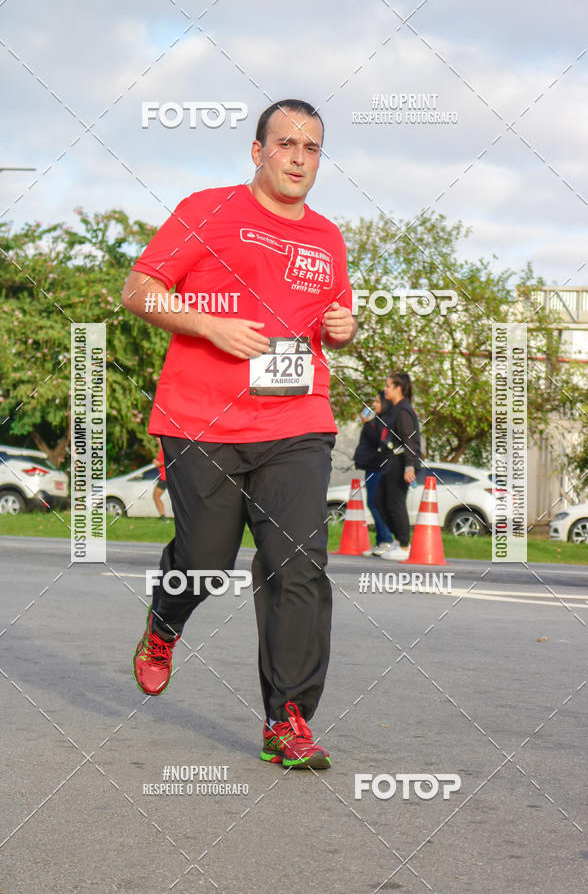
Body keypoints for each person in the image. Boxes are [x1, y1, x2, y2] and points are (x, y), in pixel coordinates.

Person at [121, 98, 357, 770]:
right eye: (286, 144)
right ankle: (165, 624)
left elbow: (335, 319)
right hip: (203, 421)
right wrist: (209, 325)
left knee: (299, 564)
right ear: (258, 152)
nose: (299, 158)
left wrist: (345, 328)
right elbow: (138, 290)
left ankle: (288, 719)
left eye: (311, 148)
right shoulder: (208, 210)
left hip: (296, 421)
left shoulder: (328, 238)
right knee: (206, 559)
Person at [374, 372, 421, 561]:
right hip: (392, 461)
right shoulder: (395, 409)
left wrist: (409, 466)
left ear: (398, 389)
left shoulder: (403, 411)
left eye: (388, 386)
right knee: (379, 500)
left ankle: (404, 545)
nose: (385, 389)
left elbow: (410, 440)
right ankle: (398, 539)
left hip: (402, 462)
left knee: (395, 502)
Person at [352, 391, 394, 555]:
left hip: (379, 467)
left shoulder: (384, 421)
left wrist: (368, 423)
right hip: (372, 466)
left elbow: (378, 441)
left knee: (375, 503)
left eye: (377, 401)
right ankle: (380, 542)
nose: (374, 404)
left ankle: (387, 540)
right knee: (374, 503)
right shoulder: (377, 420)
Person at [152, 444, 168, 521]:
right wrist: (156, 462)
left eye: (158, 439)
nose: (157, 440)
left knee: (156, 496)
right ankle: (162, 515)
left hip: (164, 477)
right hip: (164, 476)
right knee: (156, 496)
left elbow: (168, 460)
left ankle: (162, 516)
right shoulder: (161, 450)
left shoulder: (165, 449)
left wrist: (159, 464)